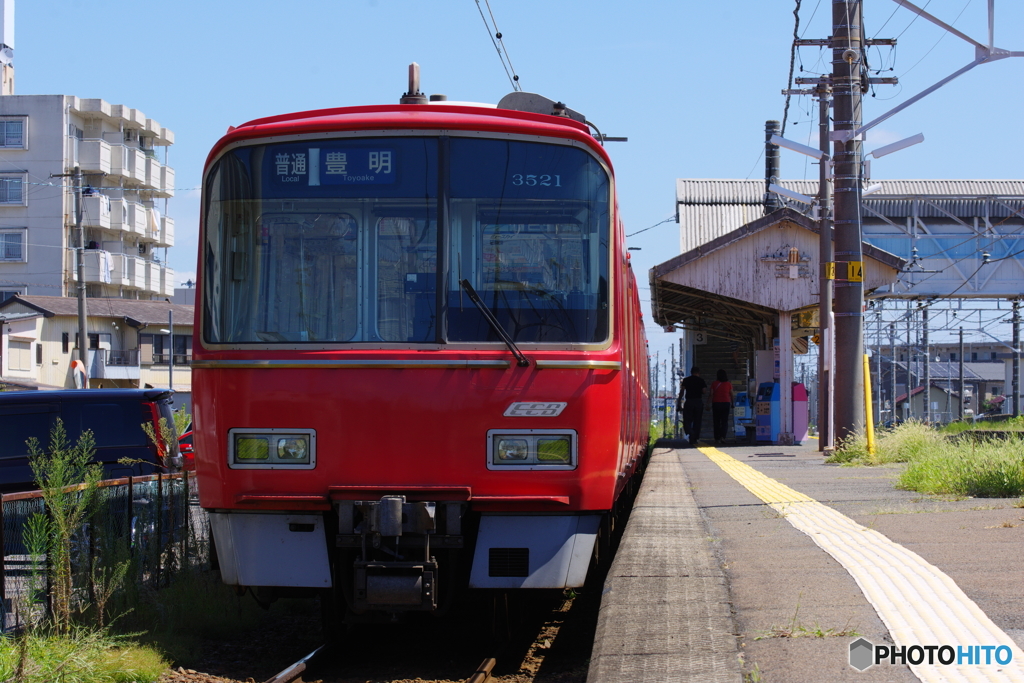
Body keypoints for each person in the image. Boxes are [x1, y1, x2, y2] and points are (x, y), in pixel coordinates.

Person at [676, 367, 707, 446]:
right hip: (698, 402)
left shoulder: (686, 380)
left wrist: (679, 401)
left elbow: (682, 391)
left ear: (691, 372)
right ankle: (694, 438)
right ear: (698, 372)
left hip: (689, 401)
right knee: (697, 420)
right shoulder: (701, 380)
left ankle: (690, 432)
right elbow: (704, 391)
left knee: (687, 419)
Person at [710, 369, 733, 445]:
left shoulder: (714, 383)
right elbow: (731, 394)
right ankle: (723, 437)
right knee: (724, 421)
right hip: (726, 403)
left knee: (716, 421)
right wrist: (732, 403)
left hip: (716, 403)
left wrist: (708, 403)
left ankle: (717, 438)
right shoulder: (728, 384)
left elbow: (711, 394)